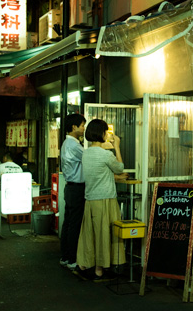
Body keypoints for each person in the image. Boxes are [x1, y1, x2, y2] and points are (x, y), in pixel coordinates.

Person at [76, 119, 127, 282]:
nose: (107, 134)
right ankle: (100, 269)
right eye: (106, 131)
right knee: (105, 234)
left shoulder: (86, 153)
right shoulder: (106, 154)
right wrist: (117, 146)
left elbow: (99, 172)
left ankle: (85, 264)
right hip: (105, 199)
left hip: (91, 199)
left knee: (91, 234)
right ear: (102, 133)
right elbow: (119, 168)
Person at [59, 113, 86, 271]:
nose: (83, 128)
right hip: (76, 188)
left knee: (68, 223)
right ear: (74, 127)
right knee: (74, 224)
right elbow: (89, 158)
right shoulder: (74, 145)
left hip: (71, 187)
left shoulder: (68, 143)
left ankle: (65, 256)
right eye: (82, 125)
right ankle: (72, 259)